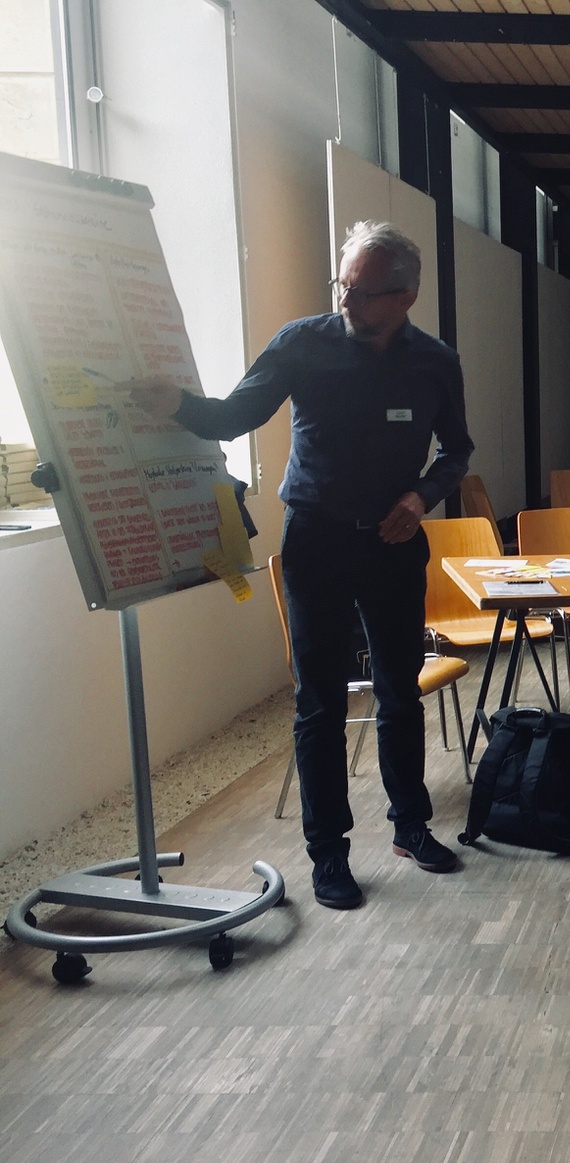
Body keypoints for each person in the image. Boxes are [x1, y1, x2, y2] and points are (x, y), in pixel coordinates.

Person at [131, 221, 474, 910]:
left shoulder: (435, 361)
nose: (345, 300)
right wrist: (176, 406)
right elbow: (233, 417)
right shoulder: (301, 343)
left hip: (395, 544)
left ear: (404, 296)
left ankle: (411, 827)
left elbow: (457, 450)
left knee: (399, 692)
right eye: (341, 284)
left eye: (362, 291)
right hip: (317, 539)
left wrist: (421, 497)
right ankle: (329, 854)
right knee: (320, 702)